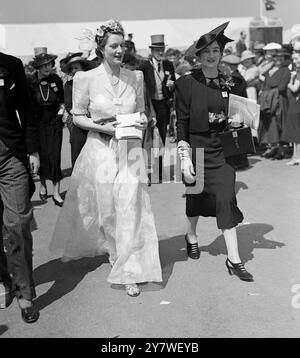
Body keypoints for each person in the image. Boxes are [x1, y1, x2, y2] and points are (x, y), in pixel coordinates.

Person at [49, 19, 162, 297]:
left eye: (122, 45)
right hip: (99, 149)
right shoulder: (84, 79)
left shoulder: (134, 77)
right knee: (109, 210)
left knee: (132, 207)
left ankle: (130, 269)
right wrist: (104, 128)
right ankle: (115, 251)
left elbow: (141, 111)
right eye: (113, 45)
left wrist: (143, 120)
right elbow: (77, 116)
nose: (119, 50)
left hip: (130, 148)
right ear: (101, 48)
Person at [175, 22, 253, 282]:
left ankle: (234, 259)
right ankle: (192, 236)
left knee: (226, 197)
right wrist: (184, 156)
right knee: (195, 197)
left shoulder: (231, 81)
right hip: (196, 146)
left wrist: (239, 120)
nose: (212, 55)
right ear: (198, 55)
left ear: (221, 53)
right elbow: (182, 122)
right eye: (206, 51)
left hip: (222, 150)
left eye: (216, 50)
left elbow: (243, 114)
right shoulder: (186, 83)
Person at [0, 51, 40, 322]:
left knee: (17, 222)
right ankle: (5, 280)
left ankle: (24, 291)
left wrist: (33, 151)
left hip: (10, 156)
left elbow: (27, 110)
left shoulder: (10, 65)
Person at [27, 47, 65, 206]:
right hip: (38, 125)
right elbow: (27, 105)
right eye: (43, 65)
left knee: (55, 157)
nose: (47, 67)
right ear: (37, 67)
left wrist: (60, 114)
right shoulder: (31, 82)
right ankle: (43, 185)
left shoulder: (56, 79)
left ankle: (56, 192)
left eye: (49, 64)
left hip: (54, 123)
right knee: (41, 156)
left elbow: (62, 101)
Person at [139, 34, 176, 146]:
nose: (160, 52)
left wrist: (172, 85)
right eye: (157, 50)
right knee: (149, 134)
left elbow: (173, 82)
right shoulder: (145, 65)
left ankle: (160, 159)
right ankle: (149, 160)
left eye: (162, 50)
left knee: (162, 133)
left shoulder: (168, 65)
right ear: (152, 50)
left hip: (164, 104)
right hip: (150, 105)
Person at [61, 52, 93, 168]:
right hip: (78, 122)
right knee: (78, 153)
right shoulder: (69, 85)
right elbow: (69, 106)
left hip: (95, 121)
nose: (74, 70)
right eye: (72, 68)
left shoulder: (92, 82)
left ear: (83, 69)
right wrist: (82, 114)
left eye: (77, 67)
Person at [258, 47, 291, 159]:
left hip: (280, 100)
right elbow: (264, 85)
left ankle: (282, 150)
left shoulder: (285, 70)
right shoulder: (270, 70)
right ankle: (275, 148)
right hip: (269, 101)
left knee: (280, 123)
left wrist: (267, 93)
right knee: (271, 125)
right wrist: (264, 94)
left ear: (285, 58)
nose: (278, 59)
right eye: (276, 57)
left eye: (281, 57)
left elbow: (282, 87)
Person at [282, 52, 300, 165]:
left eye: (297, 59)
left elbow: (294, 88)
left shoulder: (298, 73)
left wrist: (290, 80)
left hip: (296, 104)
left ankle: (297, 157)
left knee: (296, 131)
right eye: (294, 59)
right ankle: (295, 156)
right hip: (295, 103)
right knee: (296, 131)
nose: (295, 61)